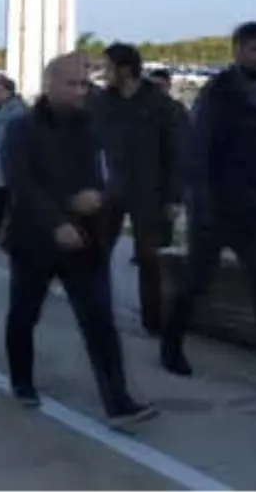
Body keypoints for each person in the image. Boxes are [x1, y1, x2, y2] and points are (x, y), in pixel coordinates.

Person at [2, 53, 157, 428]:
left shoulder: (96, 127)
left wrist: (103, 197)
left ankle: (118, 402)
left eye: (84, 84)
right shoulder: (22, 129)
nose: (78, 91)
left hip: (87, 242)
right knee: (25, 315)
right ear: (48, 84)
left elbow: (118, 172)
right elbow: (21, 183)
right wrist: (59, 216)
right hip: (35, 241)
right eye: (70, 84)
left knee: (100, 321)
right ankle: (22, 381)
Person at [162, 21, 256, 395]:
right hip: (216, 209)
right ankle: (171, 343)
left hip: (253, 211)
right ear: (238, 49)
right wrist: (203, 211)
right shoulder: (217, 93)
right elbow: (198, 154)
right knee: (196, 282)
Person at [93, 44, 183, 336]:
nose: (104, 74)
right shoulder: (103, 102)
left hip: (150, 191)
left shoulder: (160, 105)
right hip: (111, 190)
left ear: (125, 69)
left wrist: (174, 197)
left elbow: (177, 153)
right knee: (96, 252)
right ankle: (94, 309)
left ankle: (153, 322)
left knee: (149, 259)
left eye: (108, 68)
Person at [147, 68, 190, 248]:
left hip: (166, 185)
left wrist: (175, 197)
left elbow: (180, 154)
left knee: (163, 241)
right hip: (144, 185)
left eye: (160, 86)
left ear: (168, 87)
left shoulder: (176, 112)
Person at [0, 75, 26, 250]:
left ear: (7, 89)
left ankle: (6, 241)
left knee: (11, 206)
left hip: (13, 167)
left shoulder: (18, 110)